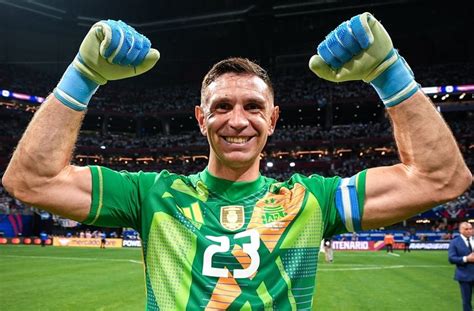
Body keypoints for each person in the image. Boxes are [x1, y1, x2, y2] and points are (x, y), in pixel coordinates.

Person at [2, 13, 471, 310]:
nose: (238, 120)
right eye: (222, 107)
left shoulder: (311, 200)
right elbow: (31, 181)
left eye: (252, 106)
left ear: (274, 119)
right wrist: (81, 77)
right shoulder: (152, 195)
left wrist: (391, 74)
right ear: (201, 118)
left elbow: (441, 178)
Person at [448, 222, 474, 311]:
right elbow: (451, 258)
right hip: (464, 276)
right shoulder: (454, 242)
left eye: (471, 229)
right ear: (460, 230)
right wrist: (466, 259)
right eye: (466, 229)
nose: (469, 231)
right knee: (466, 301)